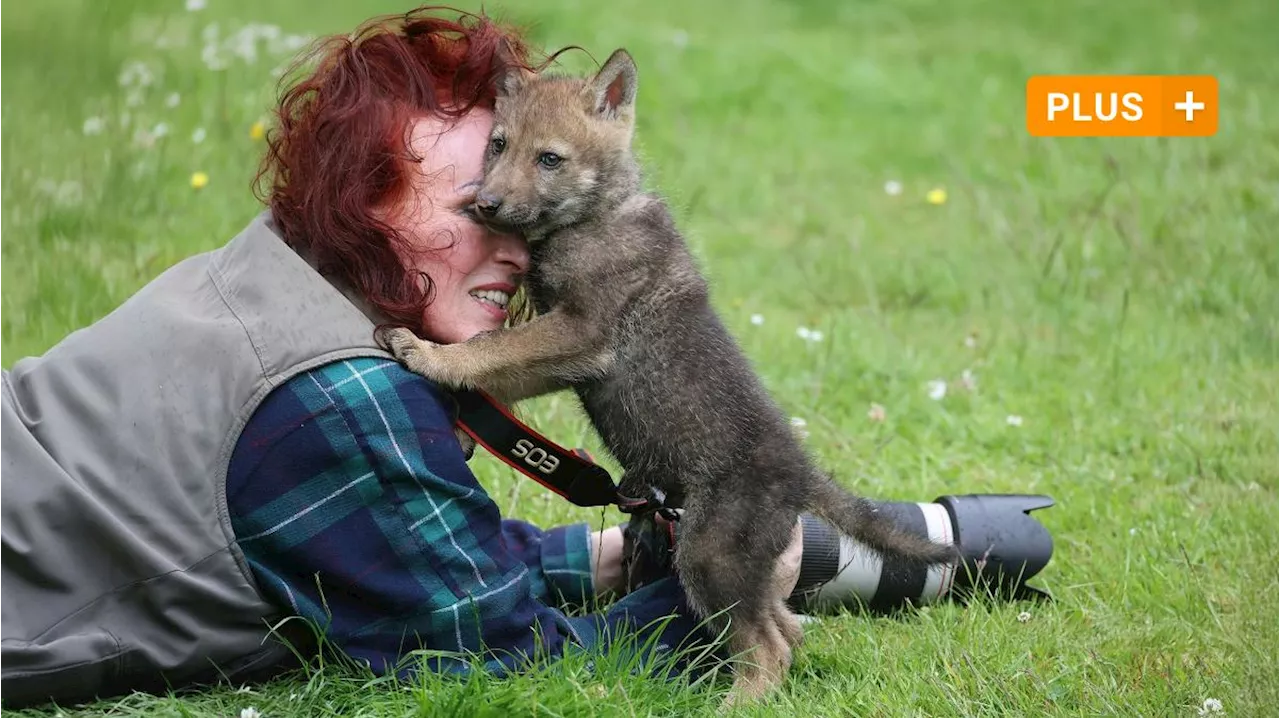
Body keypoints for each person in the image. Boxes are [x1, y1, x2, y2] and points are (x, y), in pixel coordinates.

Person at [0, 7, 808, 709]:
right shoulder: (343, 401)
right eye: (476, 200)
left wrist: (600, 558)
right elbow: (508, 658)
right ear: (366, 192)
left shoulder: (266, 270)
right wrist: (709, 600)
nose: (515, 234)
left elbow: (394, 552)